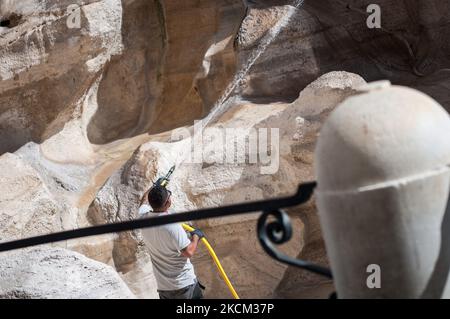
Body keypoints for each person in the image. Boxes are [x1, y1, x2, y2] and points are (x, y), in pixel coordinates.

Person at [138, 184, 205, 299]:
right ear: (167, 202)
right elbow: (188, 252)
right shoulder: (171, 224)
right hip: (184, 285)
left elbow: (143, 201)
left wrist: (155, 187)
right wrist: (196, 236)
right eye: (169, 196)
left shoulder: (142, 219)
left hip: (164, 288)